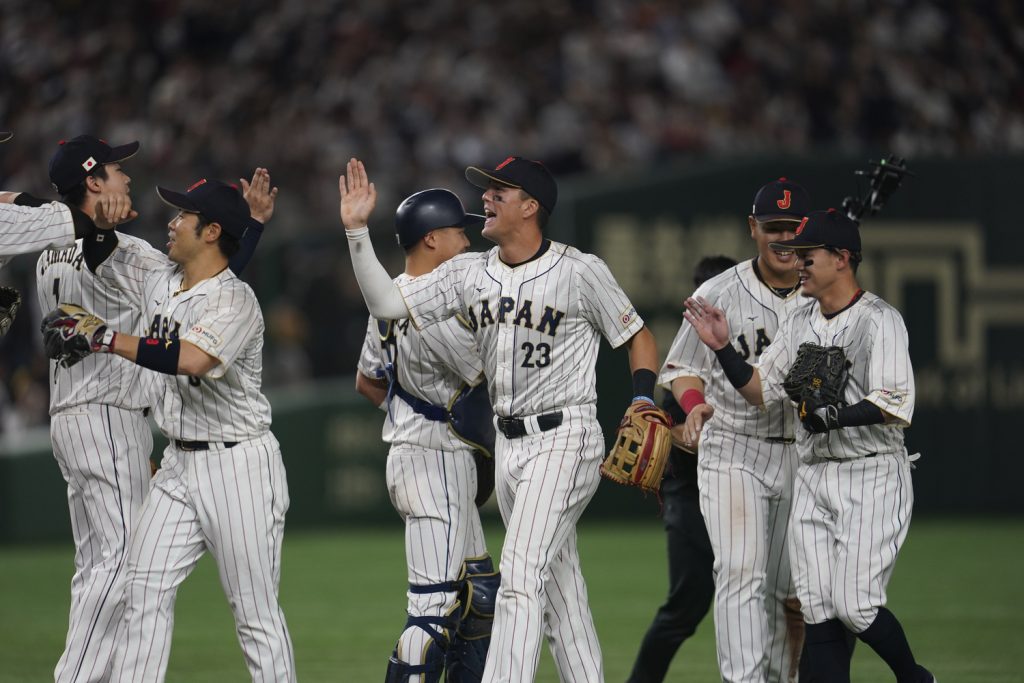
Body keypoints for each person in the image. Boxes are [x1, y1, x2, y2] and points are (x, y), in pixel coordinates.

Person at [339, 156, 661, 683]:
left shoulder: (580, 271)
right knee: (560, 594)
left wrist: (644, 398)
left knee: (518, 579)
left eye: (498, 191)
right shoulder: (469, 273)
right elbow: (385, 302)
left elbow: (636, 335)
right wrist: (356, 230)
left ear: (531, 207)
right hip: (511, 446)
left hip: (566, 437)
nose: (485, 199)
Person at [32, 134, 273, 683]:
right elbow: (202, 280)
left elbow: (202, 283)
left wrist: (247, 226)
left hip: (74, 413)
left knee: (100, 566)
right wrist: (99, 225)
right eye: (116, 169)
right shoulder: (115, 246)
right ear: (94, 182)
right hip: (109, 410)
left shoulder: (50, 248)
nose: (127, 177)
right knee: (121, 567)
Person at [683, 209, 935, 683]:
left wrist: (832, 415)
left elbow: (896, 403)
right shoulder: (800, 317)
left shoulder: (879, 319)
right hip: (815, 473)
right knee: (817, 607)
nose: (798, 264)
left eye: (808, 256)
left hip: (871, 470)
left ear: (841, 259)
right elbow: (763, 391)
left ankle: (916, 678)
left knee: (856, 606)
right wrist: (722, 349)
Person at [661, 179, 812, 683]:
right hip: (734, 447)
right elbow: (681, 365)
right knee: (740, 572)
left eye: (793, 228)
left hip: (805, 452)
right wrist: (694, 404)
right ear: (753, 229)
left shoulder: (825, 296)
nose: (784, 238)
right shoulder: (719, 291)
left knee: (797, 591)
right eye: (773, 228)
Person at [355, 188, 498, 682]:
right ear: (432, 239)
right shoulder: (436, 308)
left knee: (479, 595)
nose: (467, 241)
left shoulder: (390, 296)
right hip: (430, 460)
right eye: (459, 232)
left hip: (429, 452)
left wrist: (407, 413)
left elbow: (367, 380)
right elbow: (488, 377)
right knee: (432, 613)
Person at [626, 254, 736, 683]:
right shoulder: (686, 359)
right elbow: (667, 427)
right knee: (685, 609)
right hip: (689, 496)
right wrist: (679, 433)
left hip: (740, 488)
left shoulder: (749, 346)